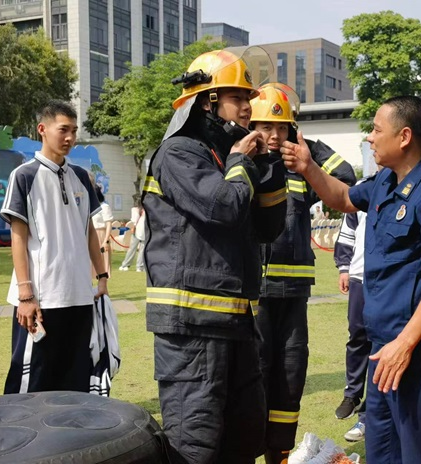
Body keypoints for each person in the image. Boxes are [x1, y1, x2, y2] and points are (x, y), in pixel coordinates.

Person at [280, 95, 421, 464]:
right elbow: (342, 197)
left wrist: (405, 344)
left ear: (404, 137)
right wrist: (308, 167)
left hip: (418, 352)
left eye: (376, 129)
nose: (369, 137)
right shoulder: (386, 180)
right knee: (383, 452)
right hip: (383, 348)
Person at [142, 46, 287, 464]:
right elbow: (222, 207)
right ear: (208, 101)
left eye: (248, 98)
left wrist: (268, 165)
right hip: (192, 328)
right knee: (196, 445)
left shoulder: (227, 158)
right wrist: (241, 161)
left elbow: (268, 228)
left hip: (236, 323)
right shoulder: (179, 153)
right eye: (238, 98)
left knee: (244, 438)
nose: (248, 107)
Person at [248, 83, 356, 464]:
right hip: (256, 296)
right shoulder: (243, 168)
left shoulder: (299, 170)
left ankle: (279, 455)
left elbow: (346, 178)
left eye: (282, 128)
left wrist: (308, 151)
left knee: (291, 378)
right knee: (256, 377)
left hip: (294, 295)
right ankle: (250, 449)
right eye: (266, 126)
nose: (274, 135)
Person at [0, 100, 109, 394]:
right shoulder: (24, 176)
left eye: (74, 130)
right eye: (63, 130)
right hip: (41, 299)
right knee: (31, 383)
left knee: (75, 381)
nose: (70, 138)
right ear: (42, 129)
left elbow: (89, 231)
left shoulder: (82, 177)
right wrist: (25, 295)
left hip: (80, 296)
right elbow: (18, 237)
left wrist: (102, 276)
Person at [333, 182, 369, 443]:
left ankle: (368, 413)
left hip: (388, 279)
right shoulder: (363, 188)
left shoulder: (410, 186)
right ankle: (352, 394)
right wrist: (344, 268)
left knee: (381, 343)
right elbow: (348, 232)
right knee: (357, 336)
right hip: (359, 276)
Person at [91, 184, 114, 277]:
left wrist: (106, 241)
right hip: (90, 234)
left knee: (102, 261)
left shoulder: (104, 206)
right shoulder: (90, 206)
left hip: (101, 235)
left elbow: (109, 224)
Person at [119, 206, 145, 272]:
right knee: (142, 248)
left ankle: (125, 265)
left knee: (132, 248)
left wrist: (133, 227)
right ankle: (139, 266)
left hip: (138, 229)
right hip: (144, 229)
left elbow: (134, 220)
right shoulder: (146, 208)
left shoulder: (135, 209)